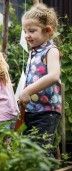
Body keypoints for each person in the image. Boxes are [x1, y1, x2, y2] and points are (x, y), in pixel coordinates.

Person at [19, 3, 61, 152]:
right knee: (29, 150)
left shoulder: (51, 51)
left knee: (40, 152)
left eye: (31, 30)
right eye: (25, 31)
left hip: (47, 110)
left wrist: (28, 90)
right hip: (32, 110)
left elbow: (54, 75)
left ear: (47, 30)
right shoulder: (34, 52)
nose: (26, 35)